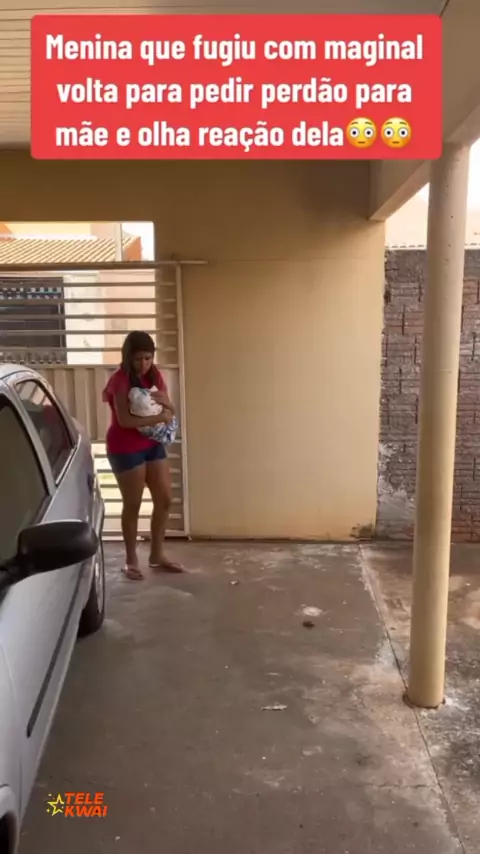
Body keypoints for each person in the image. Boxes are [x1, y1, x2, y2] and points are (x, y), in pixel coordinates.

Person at [103, 331, 184, 580]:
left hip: (152, 443)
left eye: (148, 358)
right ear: (128, 357)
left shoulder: (154, 375)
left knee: (164, 499)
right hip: (125, 447)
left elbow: (169, 409)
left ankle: (157, 555)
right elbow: (125, 421)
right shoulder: (119, 381)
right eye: (138, 359)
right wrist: (161, 416)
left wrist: (168, 406)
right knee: (133, 504)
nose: (144, 364)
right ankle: (131, 560)